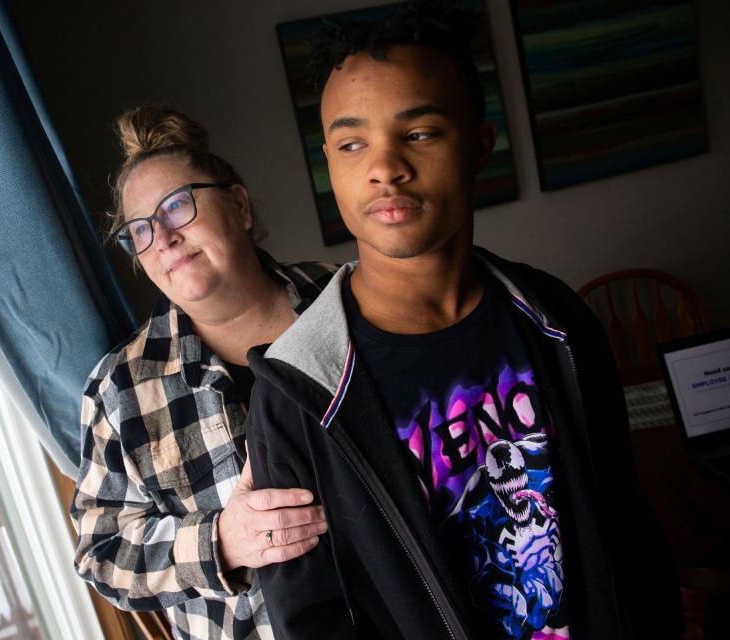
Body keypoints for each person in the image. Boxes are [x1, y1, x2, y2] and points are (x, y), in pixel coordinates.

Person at [246, 3, 684, 638]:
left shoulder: (556, 319)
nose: (384, 166)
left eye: (420, 132)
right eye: (351, 143)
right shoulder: (297, 394)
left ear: (480, 144)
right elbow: (312, 617)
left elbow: (625, 520)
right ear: (330, 164)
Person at [71, 104, 335, 639]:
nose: (162, 238)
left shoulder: (347, 303)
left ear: (239, 206)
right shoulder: (121, 391)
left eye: (177, 207)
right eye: (138, 231)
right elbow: (101, 552)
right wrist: (221, 542)